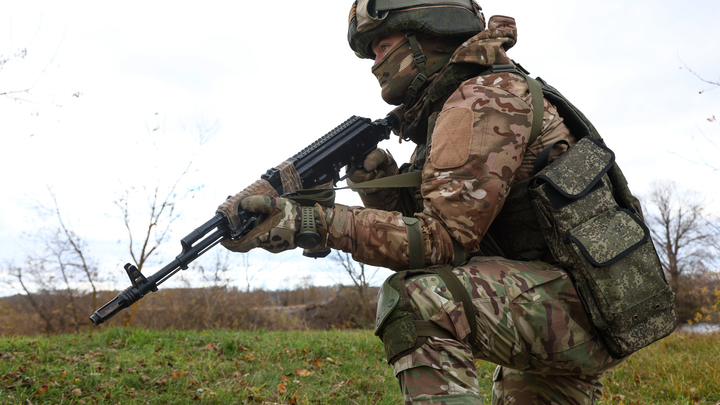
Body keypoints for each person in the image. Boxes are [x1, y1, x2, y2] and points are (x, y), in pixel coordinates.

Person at [217, 1, 633, 403]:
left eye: (382, 45)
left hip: (576, 307)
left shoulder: (485, 97)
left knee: (421, 299)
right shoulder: (456, 104)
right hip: (566, 301)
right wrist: (378, 186)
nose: (376, 62)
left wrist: (310, 220)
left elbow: (443, 242)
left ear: (428, 33)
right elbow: (435, 225)